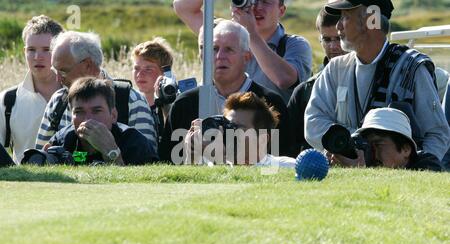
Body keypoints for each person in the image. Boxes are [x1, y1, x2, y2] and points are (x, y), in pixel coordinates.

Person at [305, 0, 450, 163]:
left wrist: (414, 167)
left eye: (345, 17)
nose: (338, 26)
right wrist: (354, 146)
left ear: (372, 19)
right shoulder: (335, 69)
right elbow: (313, 123)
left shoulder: (412, 68)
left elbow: (437, 135)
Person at [161, 20, 291, 162]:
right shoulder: (184, 104)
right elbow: (167, 166)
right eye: (214, 49)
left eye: (229, 49)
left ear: (246, 57)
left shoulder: (269, 103)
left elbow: (279, 165)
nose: (220, 56)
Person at [35, 31, 158, 156]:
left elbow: (148, 166)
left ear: (88, 65)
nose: (58, 79)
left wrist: (111, 153)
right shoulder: (58, 102)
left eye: (64, 71)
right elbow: (40, 160)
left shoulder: (132, 101)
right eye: (79, 111)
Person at [173, 0, 312, 103]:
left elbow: (284, 80)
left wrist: (250, 33)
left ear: (281, 10)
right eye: (250, 1)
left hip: (269, 135)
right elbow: (182, 7)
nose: (256, 7)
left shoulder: (295, 45)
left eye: (265, 1)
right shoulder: (220, 32)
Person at [46, 77, 158, 165]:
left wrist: (111, 152)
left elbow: (139, 189)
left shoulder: (134, 143)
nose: (87, 119)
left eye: (96, 111)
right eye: (79, 112)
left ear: (113, 115)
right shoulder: (64, 139)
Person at [0, 15, 63, 163]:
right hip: (23, 183)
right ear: (24, 52)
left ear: (60, 51)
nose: (37, 57)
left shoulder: (80, 95)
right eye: (31, 49)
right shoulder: (7, 101)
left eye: (46, 49)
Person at [286, 7, 347, 157]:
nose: (333, 46)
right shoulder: (304, 91)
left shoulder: (370, 81)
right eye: (326, 39)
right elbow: (287, 148)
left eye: (339, 38)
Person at [185, 92, 296, 167]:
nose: (228, 132)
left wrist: (221, 161)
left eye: (236, 128)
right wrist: (192, 156)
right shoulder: (209, 165)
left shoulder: (286, 167)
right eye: (226, 125)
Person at [330, 108, 443, 171]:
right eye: (367, 145)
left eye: (378, 145)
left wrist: (359, 171)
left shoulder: (428, 163)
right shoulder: (368, 165)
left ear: (406, 150)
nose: (371, 152)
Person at [132, 37, 175, 144]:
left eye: (148, 69)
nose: (140, 74)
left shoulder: (175, 105)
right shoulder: (130, 103)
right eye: (136, 68)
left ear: (164, 72)